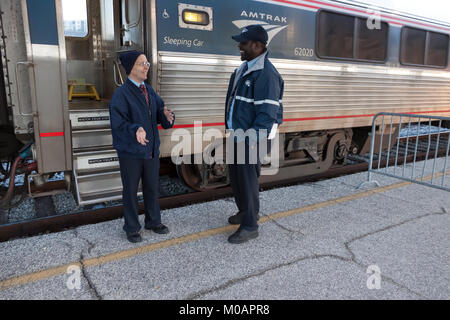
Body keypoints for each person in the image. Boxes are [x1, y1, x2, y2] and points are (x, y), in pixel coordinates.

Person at [225, 25, 284, 244]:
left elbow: (267, 115)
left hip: (252, 138)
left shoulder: (266, 74)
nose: (239, 46)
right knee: (238, 178)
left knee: (248, 180)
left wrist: (251, 141)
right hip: (238, 134)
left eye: (243, 42)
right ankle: (244, 212)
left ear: (258, 46)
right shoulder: (245, 68)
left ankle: (250, 225)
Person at [110, 50, 175, 243]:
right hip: (130, 152)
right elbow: (118, 123)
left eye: (147, 63)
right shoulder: (121, 94)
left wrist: (167, 117)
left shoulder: (149, 90)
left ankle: (153, 221)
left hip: (150, 149)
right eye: (141, 63)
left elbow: (160, 112)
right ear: (131, 68)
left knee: (151, 187)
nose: (147, 66)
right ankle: (131, 228)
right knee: (130, 191)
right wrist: (135, 129)